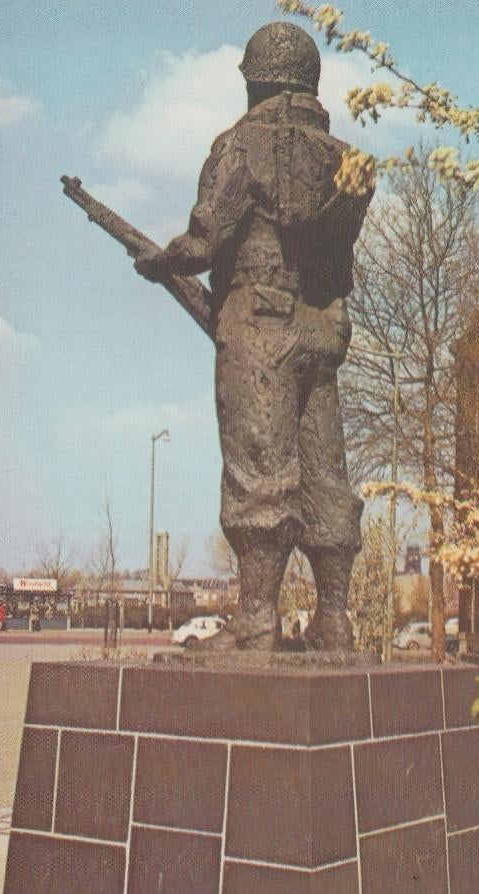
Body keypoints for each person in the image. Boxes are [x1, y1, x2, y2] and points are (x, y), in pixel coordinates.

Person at [136, 23, 373, 651]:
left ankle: (257, 621)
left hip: (259, 324)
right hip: (322, 329)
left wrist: (159, 261)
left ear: (257, 79)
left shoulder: (239, 145)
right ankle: (334, 622)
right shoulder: (346, 162)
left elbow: (204, 240)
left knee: (258, 470)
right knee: (325, 475)